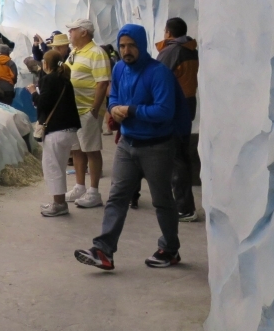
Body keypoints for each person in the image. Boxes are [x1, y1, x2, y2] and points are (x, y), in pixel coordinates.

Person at [73, 24, 191, 270]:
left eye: (131, 45)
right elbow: (114, 95)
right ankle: (103, 250)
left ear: (141, 45)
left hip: (157, 146)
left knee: (161, 201)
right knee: (117, 197)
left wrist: (132, 110)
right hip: (127, 144)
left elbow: (165, 110)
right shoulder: (119, 69)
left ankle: (170, 249)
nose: (126, 50)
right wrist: (115, 107)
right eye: (123, 45)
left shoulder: (158, 73)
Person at [155, 17, 200, 221]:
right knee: (182, 156)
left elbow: (157, 79)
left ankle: (184, 207)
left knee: (176, 160)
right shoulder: (191, 48)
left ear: (168, 33)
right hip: (188, 105)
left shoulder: (171, 52)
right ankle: (184, 204)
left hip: (174, 108)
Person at [28, 50, 81, 217]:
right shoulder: (65, 80)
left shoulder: (48, 80)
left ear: (45, 64)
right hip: (69, 129)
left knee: (52, 167)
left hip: (56, 130)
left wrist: (33, 92)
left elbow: (42, 103)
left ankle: (59, 204)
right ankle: (59, 201)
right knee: (59, 165)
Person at [65, 19, 110, 208]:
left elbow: (102, 82)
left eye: (72, 30)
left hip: (87, 110)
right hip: (73, 110)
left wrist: (94, 108)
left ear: (83, 32)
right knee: (76, 149)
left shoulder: (97, 53)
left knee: (91, 149)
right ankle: (80, 186)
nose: (70, 34)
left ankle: (94, 191)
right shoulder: (74, 52)